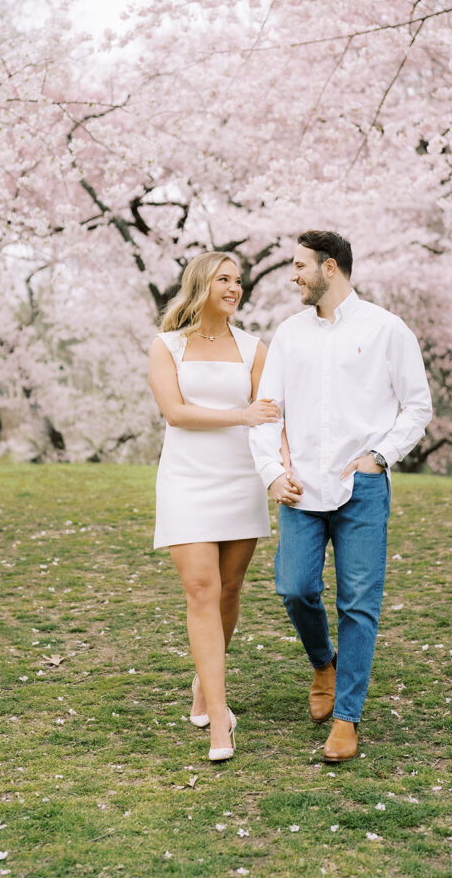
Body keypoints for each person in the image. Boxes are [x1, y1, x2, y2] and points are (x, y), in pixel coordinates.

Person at [249, 230, 432, 762]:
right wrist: (270, 472)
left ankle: (347, 719)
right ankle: (322, 661)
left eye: (300, 266)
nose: (293, 275)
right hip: (301, 487)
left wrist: (380, 456)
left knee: (359, 604)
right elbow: (268, 410)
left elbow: (416, 407)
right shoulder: (289, 334)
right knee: (294, 588)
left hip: (362, 489)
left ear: (330, 268)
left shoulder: (387, 330)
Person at [148, 251, 281, 761]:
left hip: (240, 479)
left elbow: (269, 416)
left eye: (239, 280)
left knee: (228, 590)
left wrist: (277, 471)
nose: (235, 287)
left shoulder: (254, 348)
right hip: (186, 479)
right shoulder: (168, 346)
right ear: (201, 283)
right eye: (224, 279)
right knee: (201, 590)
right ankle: (219, 724)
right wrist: (241, 416)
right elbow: (175, 413)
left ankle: (206, 685)